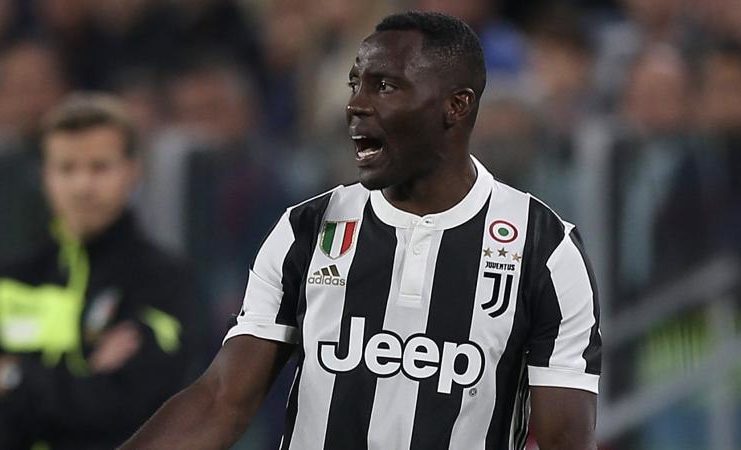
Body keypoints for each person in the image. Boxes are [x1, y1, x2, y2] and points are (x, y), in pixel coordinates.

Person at [122, 12, 601, 450]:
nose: (355, 105)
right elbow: (221, 401)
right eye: (355, 84)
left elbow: (564, 440)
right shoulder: (306, 229)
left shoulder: (544, 249)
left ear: (456, 106)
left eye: (385, 86)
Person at [0, 93, 203, 449]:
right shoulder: (12, 278)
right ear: (46, 175)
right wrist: (86, 379)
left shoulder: (164, 279)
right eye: (67, 168)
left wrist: (14, 375)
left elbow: (128, 408)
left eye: (99, 167)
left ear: (133, 171)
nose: (82, 186)